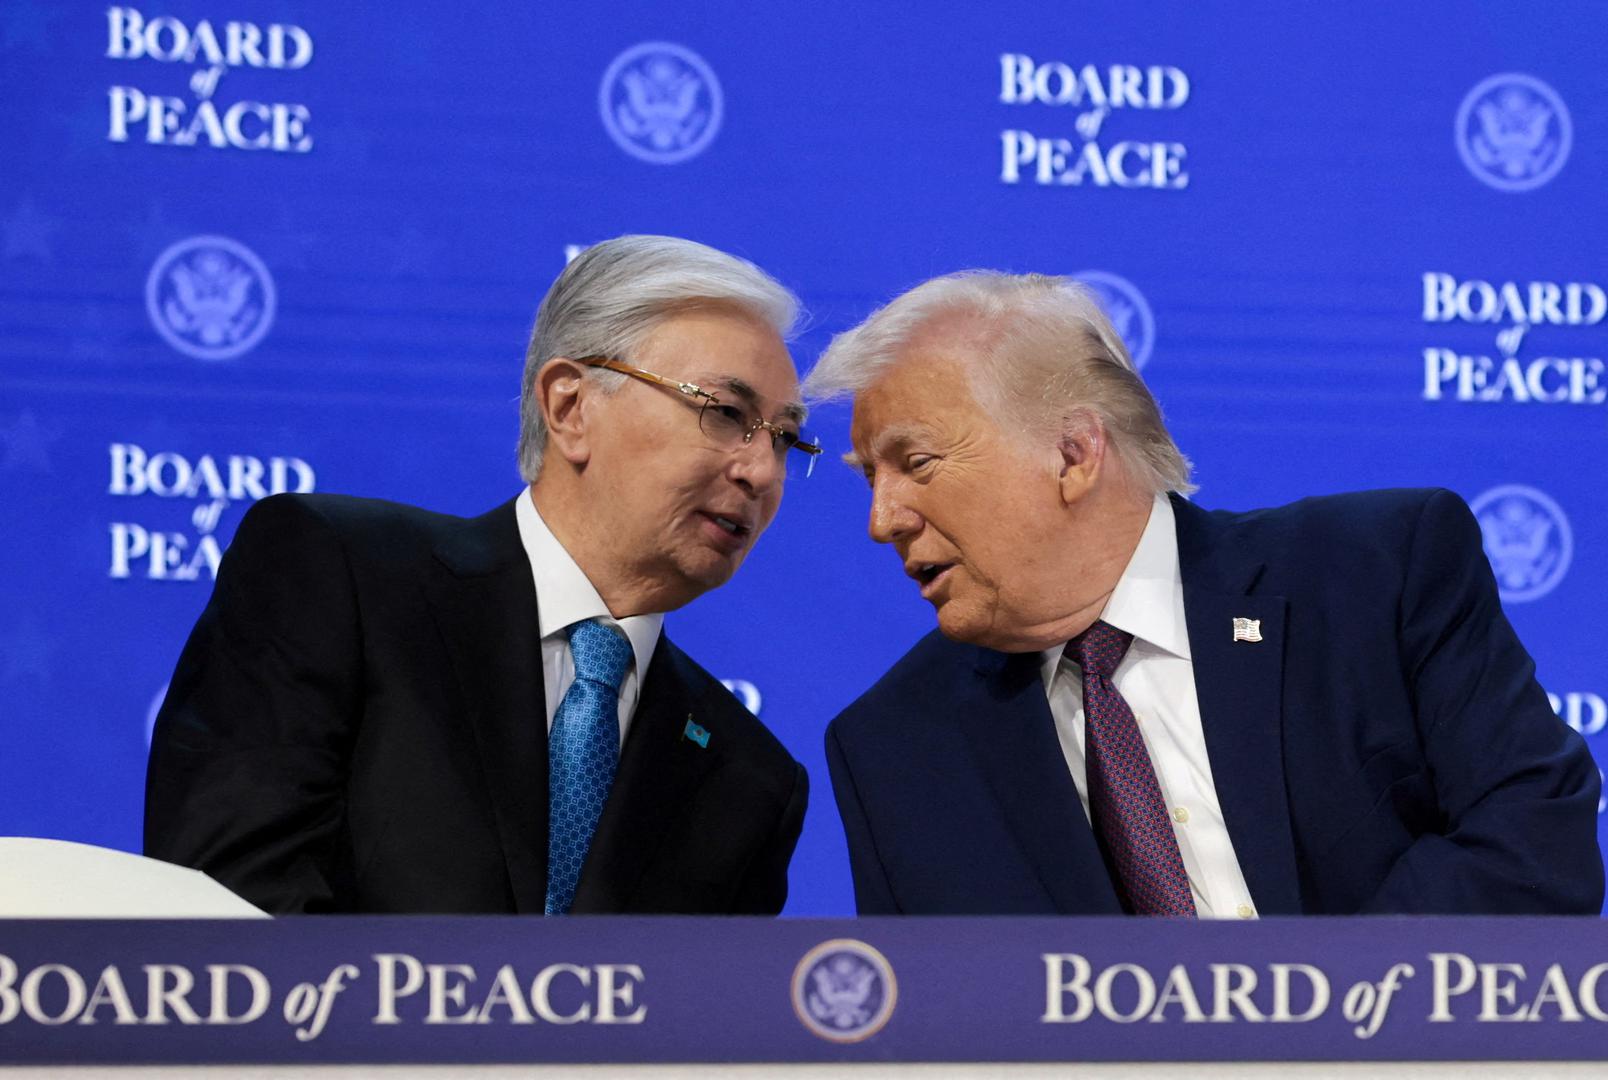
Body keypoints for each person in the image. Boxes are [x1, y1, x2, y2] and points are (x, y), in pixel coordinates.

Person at [804, 270, 1602, 917]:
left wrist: (1309, 1018)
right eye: (868, 477)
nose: (882, 520)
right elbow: (938, 1024)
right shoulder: (896, 749)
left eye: (916, 463)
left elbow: (1533, 844)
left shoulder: (1376, 574)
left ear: (1074, 453)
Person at [146, 235, 816, 915]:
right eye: (725, 413)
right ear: (570, 408)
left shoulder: (750, 777)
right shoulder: (337, 578)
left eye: (785, 439)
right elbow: (227, 920)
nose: (762, 472)